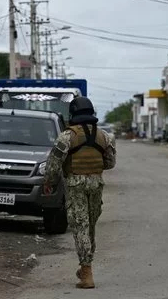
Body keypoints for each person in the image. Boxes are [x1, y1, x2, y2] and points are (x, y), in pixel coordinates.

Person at [43, 97, 116, 289]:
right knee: (90, 225)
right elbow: (110, 163)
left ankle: (86, 272)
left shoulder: (67, 137)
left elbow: (53, 165)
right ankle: (86, 266)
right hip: (96, 183)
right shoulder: (105, 137)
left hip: (75, 184)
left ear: (73, 114)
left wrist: (49, 182)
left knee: (80, 226)